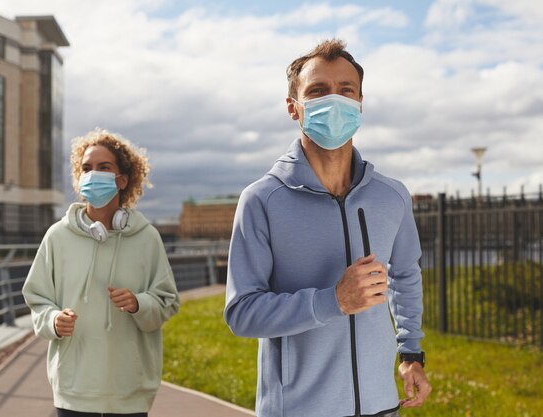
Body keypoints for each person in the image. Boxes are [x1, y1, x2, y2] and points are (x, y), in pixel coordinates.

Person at [224, 39, 431, 417]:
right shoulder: (262, 200)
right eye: (318, 91)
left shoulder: (392, 196)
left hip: (381, 408)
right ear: (294, 108)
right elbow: (242, 312)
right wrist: (333, 301)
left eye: (345, 90)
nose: (334, 101)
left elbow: (405, 276)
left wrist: (412, 352)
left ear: (360, 104)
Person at [23, 129, 180, 417]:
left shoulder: (147, 238)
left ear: (122, 180)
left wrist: (138, 303)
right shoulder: (57, 237)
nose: (93, 174)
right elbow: (37, 300)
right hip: (74, 389)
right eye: (86, 168)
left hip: (129, 390)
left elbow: (168, 302)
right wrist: (53, 321)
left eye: (104, 167)